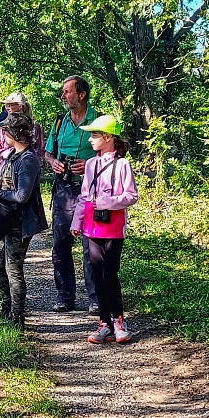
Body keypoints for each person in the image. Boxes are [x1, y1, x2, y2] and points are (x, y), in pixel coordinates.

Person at [70, 115, 138, 343]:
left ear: (108, 137)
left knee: (110, 273)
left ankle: (119, 321)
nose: (90, 139)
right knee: (97, 275)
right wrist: (76, 222)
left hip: (114, 230)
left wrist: (108, 202)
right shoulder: (90, 164)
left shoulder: (122, 164)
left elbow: (130, 196)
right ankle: (104, 323)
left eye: (95, 135)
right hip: (91, 229)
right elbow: (84, 197)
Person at [0, 113, 48, 329]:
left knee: (13, 269)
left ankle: (17, 317)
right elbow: (10, 184)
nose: (2, 133)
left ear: (15, 134)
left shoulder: (28, 159)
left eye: (6, 130)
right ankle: (6, 305)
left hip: (19, 222)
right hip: (5, 219)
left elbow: (21, 196)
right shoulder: (13, 156)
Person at [43, 75, 100, 313]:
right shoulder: (60, 122)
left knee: (92, 246)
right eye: (63, 92)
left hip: (92, 191)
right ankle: (65, 296)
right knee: (60, 244)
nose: (63, 96)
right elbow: (47, 154)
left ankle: (95, 298)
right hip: (64, 190)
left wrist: (89, 163)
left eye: (67, 91)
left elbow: (114, 154)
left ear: (82, 94)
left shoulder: (99, 120)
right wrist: (54, 162)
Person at [0, 92, 44, 177]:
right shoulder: (4, 126)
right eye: (6, 105)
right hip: (6, 169)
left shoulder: (34, 126)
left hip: (26, 169)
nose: (7, 108)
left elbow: (41, 149)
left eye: (10, 105)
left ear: (20, 106)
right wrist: (10, 153)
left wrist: (25, 154)